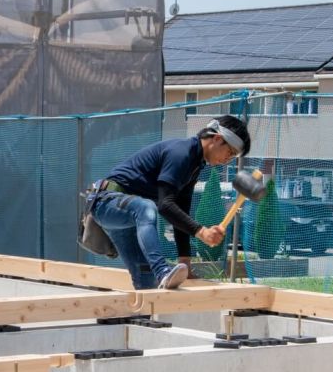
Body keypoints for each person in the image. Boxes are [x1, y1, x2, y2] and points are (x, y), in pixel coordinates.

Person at [91, 115, 251, 290]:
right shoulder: (181, 153)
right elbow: (165, 205)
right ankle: (162, 270)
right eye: (230, 153)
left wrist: (185, 264)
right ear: (217, 139)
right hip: (107, 202)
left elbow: (179, 213)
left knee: (145, 278)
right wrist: (202, 232)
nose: (228, 160)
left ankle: (143, 314)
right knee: (147, 207)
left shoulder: (194, 166)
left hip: (125, 213)